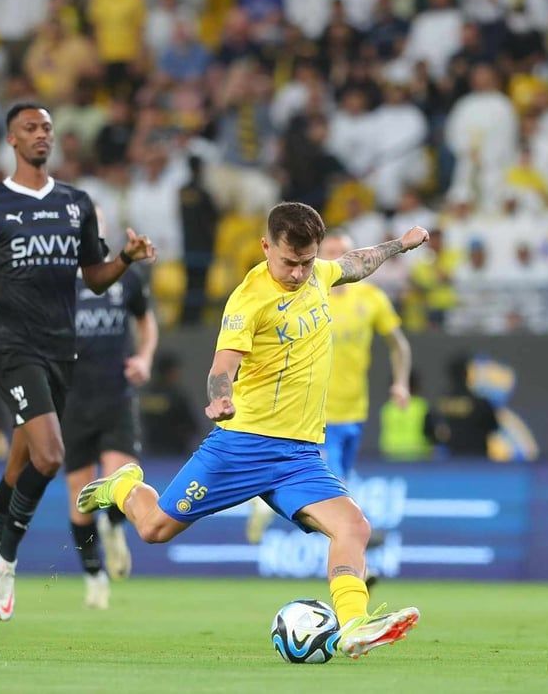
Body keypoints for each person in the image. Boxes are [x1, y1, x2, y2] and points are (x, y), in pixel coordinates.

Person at [76, 202, 428, 660]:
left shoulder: (319, 274)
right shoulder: (249, 299)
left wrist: (400, 245)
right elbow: (222, 366)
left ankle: (354, 625)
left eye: (306, 262)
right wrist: (220, 397)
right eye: (289, 262)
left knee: (353, 527)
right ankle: (124, 485)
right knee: (154, 529)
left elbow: (356, 262)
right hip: (242, 445)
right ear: (266, 246)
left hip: (299, 456)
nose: (298, 273)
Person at [0, 102, 156, 635]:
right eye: (31, 128)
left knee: (20, 468)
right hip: (12, 346)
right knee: (52, 454)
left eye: (47, 128)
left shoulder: (75, 203)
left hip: (62, 351)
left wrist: (126, 259)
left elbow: (96, 277)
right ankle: (6, 557)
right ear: (11, 139)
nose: (42, 135)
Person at [246, 229, 412, 542]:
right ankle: (357, 551)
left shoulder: (371, 298)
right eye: (331, 253)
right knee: (334, 493)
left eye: (343, 252)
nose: (338, 259)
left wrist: (401, 383)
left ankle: (268, 501)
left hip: (355, 410)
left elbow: (398, 344)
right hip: (317, 413)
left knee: (338, 483)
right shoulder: (303, 296)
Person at [62, 210, 158, 609]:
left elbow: (146, 321)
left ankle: (115, 527)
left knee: (120, 480)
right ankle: (93, 574)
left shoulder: (125, 277)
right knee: (80, 496)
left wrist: (145, 358)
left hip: (116, 394)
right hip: (71, 400)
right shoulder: (56, 281)